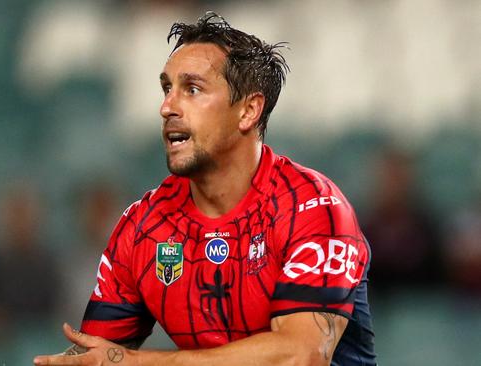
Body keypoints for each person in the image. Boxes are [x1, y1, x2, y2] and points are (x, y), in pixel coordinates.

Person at [34, 12, 376, 366]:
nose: (167, 107)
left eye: (192, 89)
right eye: (167, 89)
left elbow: (301, 355)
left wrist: (133, 362)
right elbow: (97, 358)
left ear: (248, 111)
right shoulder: (141, 227)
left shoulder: (313, 206)